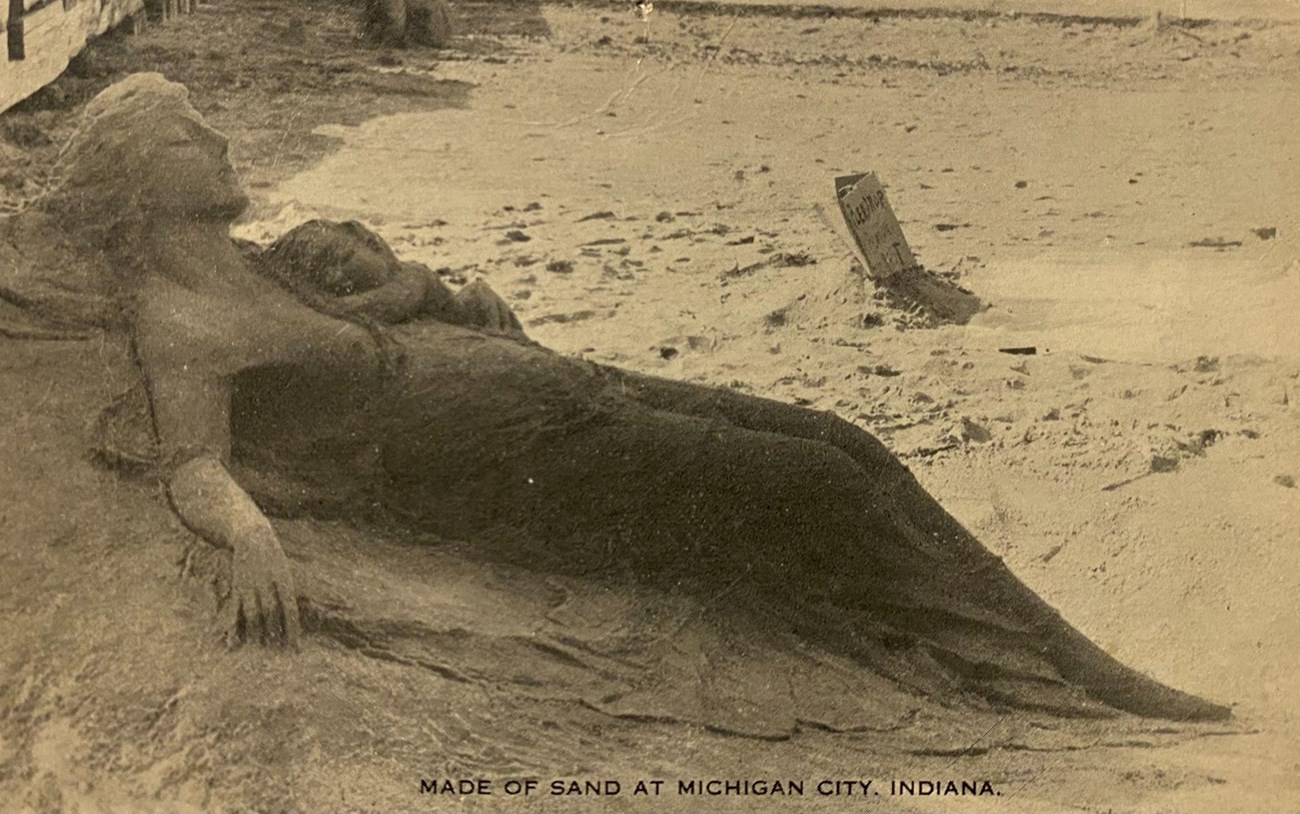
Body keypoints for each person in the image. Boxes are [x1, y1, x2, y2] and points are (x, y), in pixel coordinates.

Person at [17, 73, 1228, 722]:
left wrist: (422, 287)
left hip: (541, 396)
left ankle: (1065, 655)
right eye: (190, 130)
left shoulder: (240, 260)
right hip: (507, 462)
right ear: (140, 173)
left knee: (837, 439)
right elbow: (192, 460)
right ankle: (1064, 676)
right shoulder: (179, 317)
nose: (221, 138)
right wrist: (252, 537)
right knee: (815, 482)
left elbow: (378, 321)